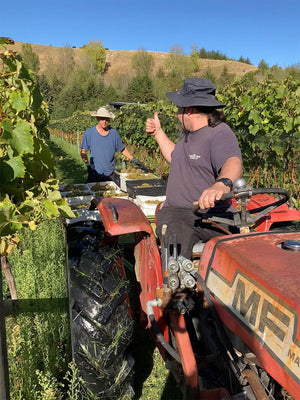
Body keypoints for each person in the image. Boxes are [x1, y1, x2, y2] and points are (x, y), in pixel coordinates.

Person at [146, 77, 243, 259]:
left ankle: (179, 286)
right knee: (174, 245)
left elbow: (233, 161)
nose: (176, 114)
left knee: (177, 255)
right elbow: (176, 157)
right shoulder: (188, 137)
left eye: (178, 109)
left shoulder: (219, 133)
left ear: (188, 110)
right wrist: (158, 133)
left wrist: (222, 184)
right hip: (177, 213)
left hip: (209, 216)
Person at [80, 107, 141, 182]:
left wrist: (133, 159)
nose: (104, 122)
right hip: (94, 172)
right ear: (97, 119)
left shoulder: (114, 133)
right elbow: (83, 151)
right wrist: (88, 165)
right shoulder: (89, 133)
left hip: (110, 174)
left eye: (107, 119)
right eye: (102, 119)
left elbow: (122, 149)